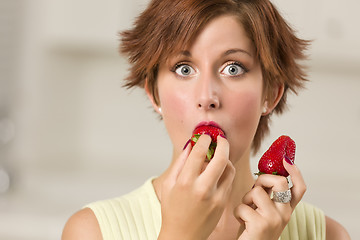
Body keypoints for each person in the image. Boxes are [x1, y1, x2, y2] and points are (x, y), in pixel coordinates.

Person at [62, 0, 350, 239]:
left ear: (270, 94)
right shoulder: (92, 231)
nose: (207, 96)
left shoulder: (327, 235)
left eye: (233, 68)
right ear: (154, 93)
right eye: (184, 69)